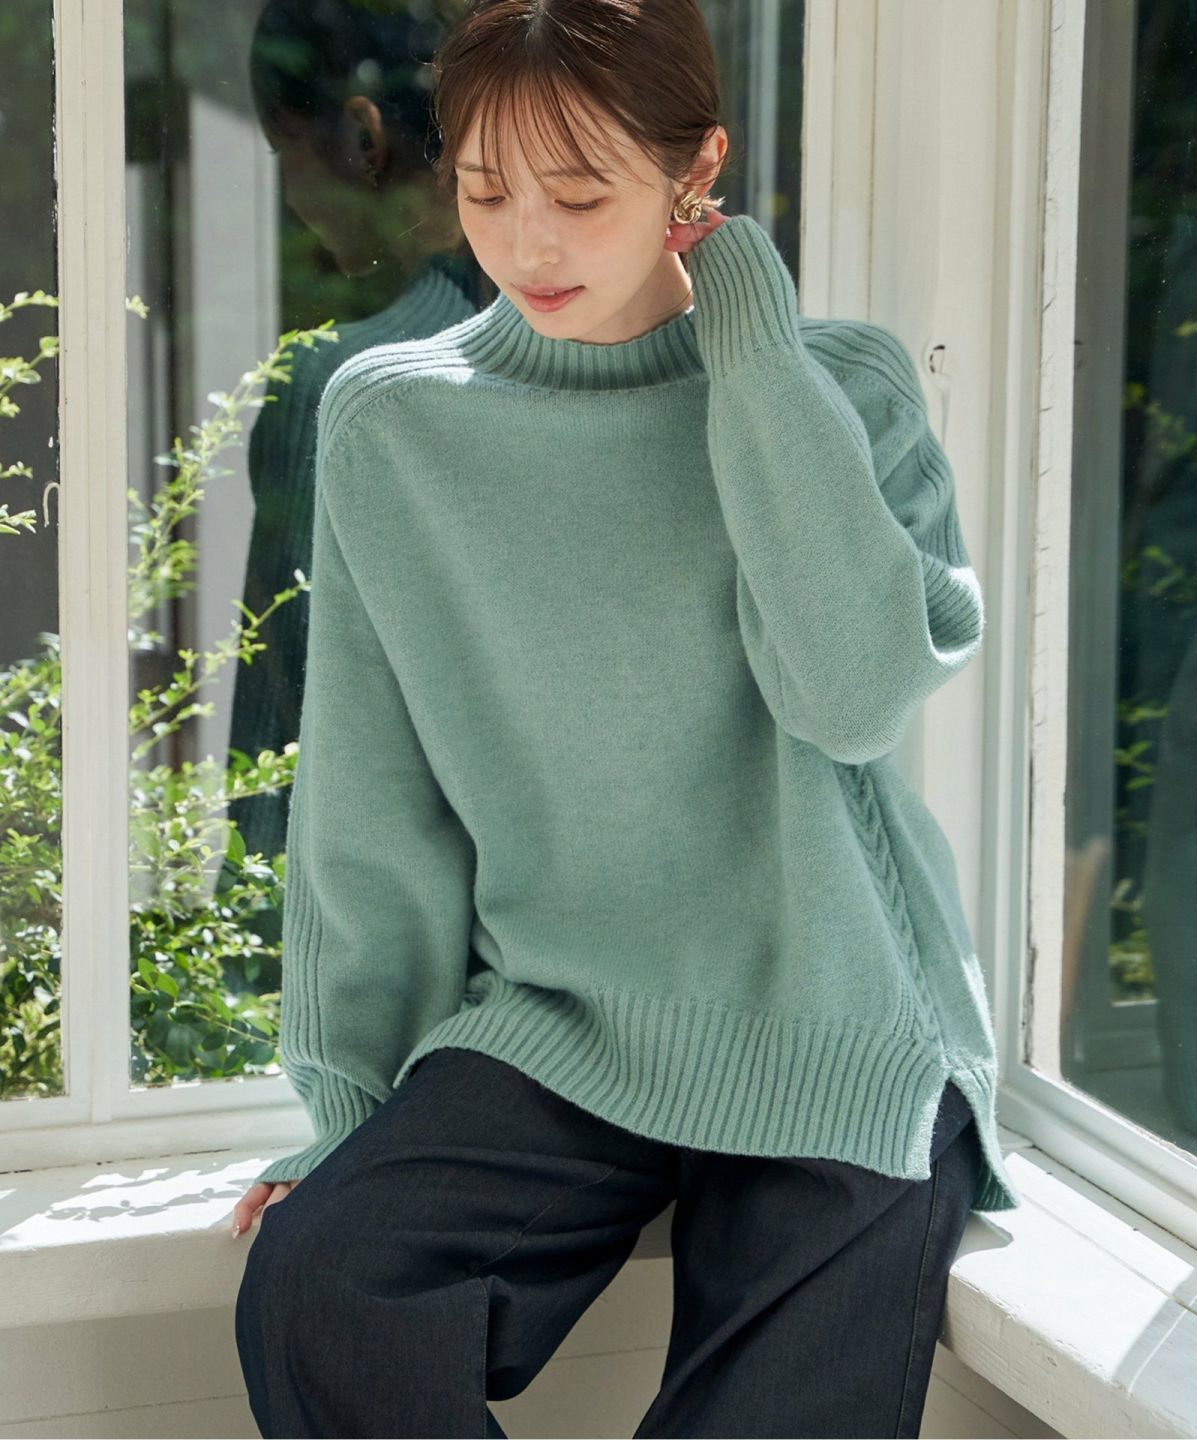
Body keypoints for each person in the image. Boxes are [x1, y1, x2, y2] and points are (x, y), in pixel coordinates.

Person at [233, 2, 1021, 1434]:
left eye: (583, 194)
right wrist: (348, 1115)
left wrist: (753, 343)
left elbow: (852, 700)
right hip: (558, 1019)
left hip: (834, 1013)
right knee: (323, 1288)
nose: (529, 243)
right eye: (485, 192)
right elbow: (371, 806)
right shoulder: (393, 425)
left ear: (695, 169)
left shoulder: (842, 389)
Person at [224, 0, 488, 874]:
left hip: (370, 914)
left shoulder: (335, 386)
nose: (290, 198)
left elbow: (282, 725)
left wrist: (240, 935)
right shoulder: (568, 342)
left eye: (286, 154)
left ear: (362, 138)